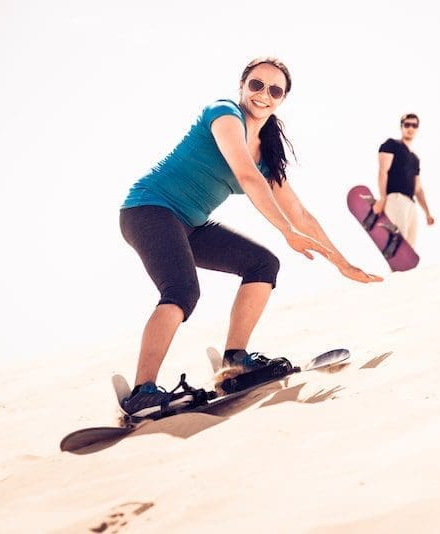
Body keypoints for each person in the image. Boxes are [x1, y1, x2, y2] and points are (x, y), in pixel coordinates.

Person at [119, 56, 382, 416]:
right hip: (149, 210)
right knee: (182, 291)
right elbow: (246, 176)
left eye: (275, 90)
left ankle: (236, 362)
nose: (263, 94)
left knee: (262, 264)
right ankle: (142, 393)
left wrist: (342, 263)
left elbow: (301, 213)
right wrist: (286, 231)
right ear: (242, 86)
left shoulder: (268, 153)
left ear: (282, 99)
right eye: (256, 85)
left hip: (191, 224)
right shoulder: (225, 113)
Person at [372, 113, 435, 247]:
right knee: (398, 244)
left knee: (408, 251)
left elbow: (418, 188)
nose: (410, 128)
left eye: (414, 125)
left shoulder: (415, 158)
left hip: (411, 205)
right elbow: (383, 171)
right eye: (407, 124)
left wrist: (427, 212)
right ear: (401, 126)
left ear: (417, 128)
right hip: (395, 199)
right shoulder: (391, 144)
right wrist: (382, 198)